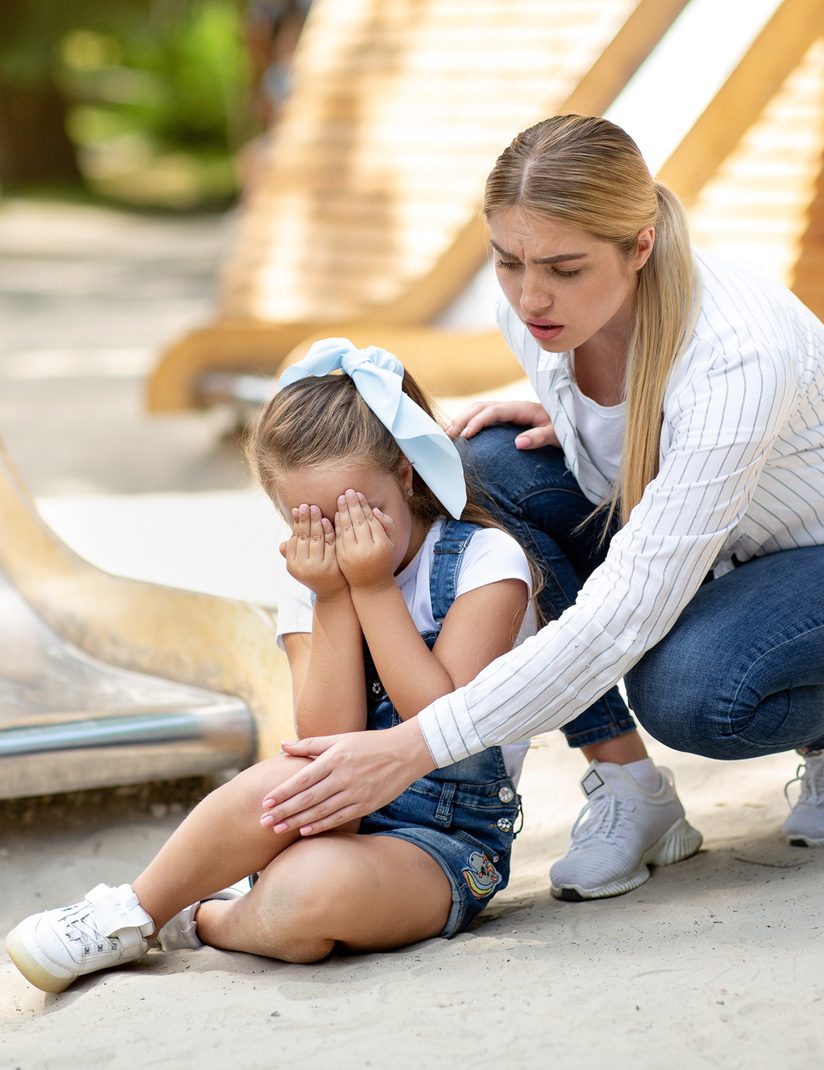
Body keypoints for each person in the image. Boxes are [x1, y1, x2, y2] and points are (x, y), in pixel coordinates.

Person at [249, 115, 824, 902]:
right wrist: (582, 431)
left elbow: (620, 619)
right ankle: (631, 791)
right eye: (508, 261)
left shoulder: (739, 356)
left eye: (565, 269)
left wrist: (411, 748)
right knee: (482, 467)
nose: (531, 295)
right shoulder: (537, 312)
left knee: (693, 689)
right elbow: (633, 430)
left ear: (638, 247)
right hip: (727, 550)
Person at [5, 339, 535, 994]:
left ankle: (205, 918)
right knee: (278, 781)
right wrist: (336, 596)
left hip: (442, 840)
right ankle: (133, 912)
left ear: (404, 473)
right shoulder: (314, 581)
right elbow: (318, 736)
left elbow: (441, 727)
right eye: (311, 520)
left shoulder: (486, 564)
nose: (341, 540)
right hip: (330, 809)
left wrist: (369, 589)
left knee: (302, 901)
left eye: (358, 511)